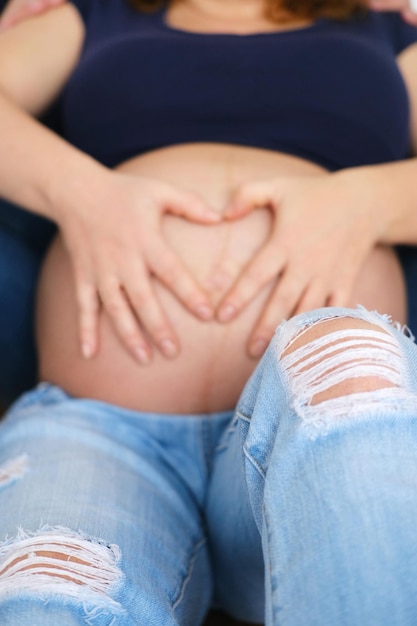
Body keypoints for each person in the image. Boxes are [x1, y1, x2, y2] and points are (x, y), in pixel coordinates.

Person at [0, 0, 417, 624]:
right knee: (50, 590)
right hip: (100, 429)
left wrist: (368, 200)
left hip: (312, 428)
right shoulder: (92, 15)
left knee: (348, 369)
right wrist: (80, 192)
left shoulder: (387, 31)